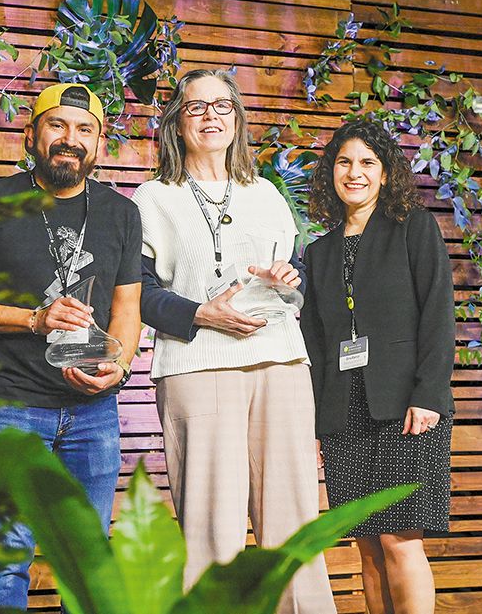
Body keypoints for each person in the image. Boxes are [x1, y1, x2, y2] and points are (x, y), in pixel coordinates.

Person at [132, 68, 335, 612]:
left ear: (238, 119)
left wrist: (291, 278)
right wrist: (201, 313)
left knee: (294, 525)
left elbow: (290, 269)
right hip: (198, 367)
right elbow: (138, 293)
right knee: (210, 529)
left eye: (222, 106)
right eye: (196, 107)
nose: (211, 116)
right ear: (176, 123)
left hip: (281, 362)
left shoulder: (265, 191)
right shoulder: (151, 197)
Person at [0, 82, 142, 610]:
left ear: (100, 143)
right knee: (11, 550)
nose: (70, 139)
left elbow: (127, 309)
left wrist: (119, 368)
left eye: (85, 129)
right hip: (14, 402)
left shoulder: (121, 213)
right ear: (31, 133)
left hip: (94, 407)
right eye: (57, 125)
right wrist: (35, 319)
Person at [300, 119, 455, 614]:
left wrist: (429, 394)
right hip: (344, 414)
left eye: (368, 162)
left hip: (408, 410)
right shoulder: (319, 252)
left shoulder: (413, 226)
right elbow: (316, 343)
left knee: (399, 541)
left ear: (386, 174)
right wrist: (318, 426)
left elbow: (437, 311)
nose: (355, 172)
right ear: (332, 173)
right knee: (366, 545)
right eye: (344, 162)